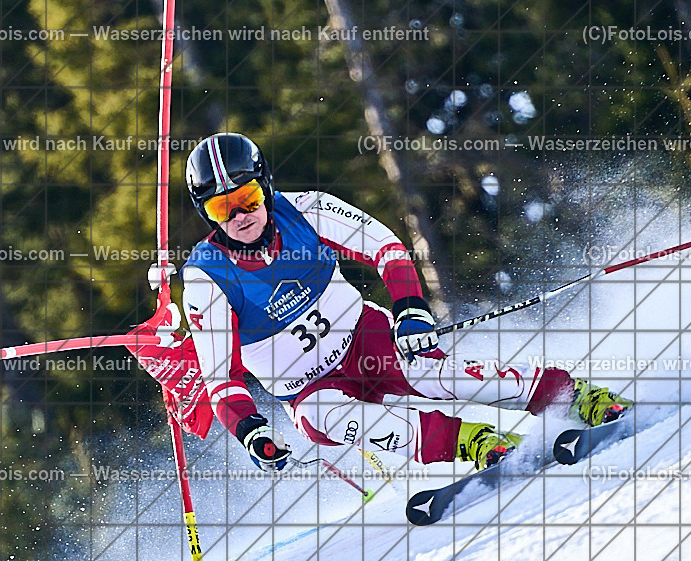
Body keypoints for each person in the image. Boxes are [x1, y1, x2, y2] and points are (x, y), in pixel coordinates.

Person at [180, 132, 632, 472]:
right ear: (206, 213)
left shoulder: (306, 211)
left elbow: (387, 249)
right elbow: (221, 380)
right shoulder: (206, 278)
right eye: (223, 209)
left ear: (266, 187)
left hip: (366, 341)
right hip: (309, 391)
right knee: (324, 418)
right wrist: (250, 431)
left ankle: (571, 395)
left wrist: (411, 311)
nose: (240, 216)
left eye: (248, 198)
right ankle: (474, 442)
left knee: (434, 374)